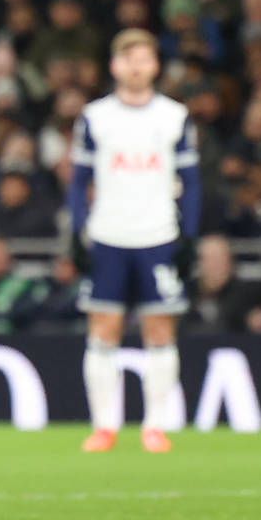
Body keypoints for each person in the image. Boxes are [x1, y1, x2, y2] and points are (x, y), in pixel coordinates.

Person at [68, 28, 200, 454]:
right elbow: (79, 181)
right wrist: (77, 231)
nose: (137, 67)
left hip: (158, 235)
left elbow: (192, 182)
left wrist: (189, 236)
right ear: (115, 66)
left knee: (160, 330)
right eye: (129, 59)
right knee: (102, 329)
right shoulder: (95, 117)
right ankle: (104, 427)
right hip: (108, 235)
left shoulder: (175, 117)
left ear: (156, 65)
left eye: (144, 59)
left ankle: (155, 427)